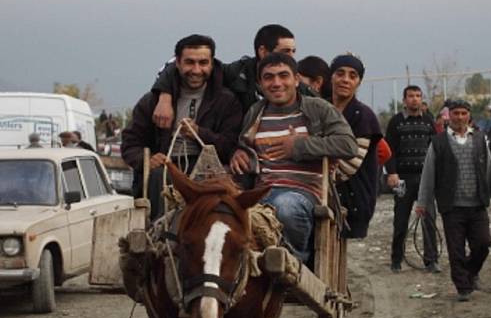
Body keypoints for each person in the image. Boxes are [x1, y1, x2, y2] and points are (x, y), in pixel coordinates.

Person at [229, 53, 357, 263]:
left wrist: (299, 146)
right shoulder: (255, 112)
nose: (276, 83)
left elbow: (348, 144)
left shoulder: (318, 108)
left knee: (285, 207)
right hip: (262, 191)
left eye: (283, 76)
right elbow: (245, 146)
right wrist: (239, 152)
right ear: (260, 84)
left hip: (304, 193)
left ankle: (293, 265)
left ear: (296, 79)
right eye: (269, 77)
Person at [121, 34, 243, 219]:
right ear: (177, 63)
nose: (196, 70)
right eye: (190, 62)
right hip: (166, 170)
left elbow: (231, 145)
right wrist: (148, 160)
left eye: (203, 63)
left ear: (211, 63)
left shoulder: (227, 101)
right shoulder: (152, 101)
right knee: (158, 176)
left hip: (208, 171)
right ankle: (159, 236)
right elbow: (130, 143)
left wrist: (200, 133)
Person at [416, 99, 491, 302]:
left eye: (464, 113)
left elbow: (489, 169)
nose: (460, 117)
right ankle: (463, 287)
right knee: (455, 250)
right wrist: (422, 203)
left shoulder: (480, 140)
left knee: (483, 243)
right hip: (452, 207)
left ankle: (471, 273)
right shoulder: (438, 142)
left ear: (469, 116)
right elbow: (428, 174)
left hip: (477, 204)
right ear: (449, 116)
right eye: (456, 113)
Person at [151, 24, 308, 127]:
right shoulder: (236, 73)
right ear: (263, 51)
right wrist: (165, 96)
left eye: (293, 51)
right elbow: (177, 65)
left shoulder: (297, 85)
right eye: (285, 51)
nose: (291, 57)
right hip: (245, 150)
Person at [384, 85, 440, 273]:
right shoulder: (396, 122)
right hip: (402, 180)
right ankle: (396, 260)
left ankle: (431, 260)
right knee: (400, 220)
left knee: (429, 219)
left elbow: (436, 149)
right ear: (404, 100)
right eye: (411, 96)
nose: (414, 99)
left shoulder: (429, 122)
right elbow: (387, 151)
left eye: (418, 96)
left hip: (425, 180)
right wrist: (392, 172)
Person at [328, 53, 382, 239]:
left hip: (352, 197)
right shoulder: (321, 109)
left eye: (353, 75)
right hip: (323, 189)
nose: (345, 80)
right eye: (340, 73)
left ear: (359, 82)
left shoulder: (363, 116)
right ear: (331, 76)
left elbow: (347, 167)